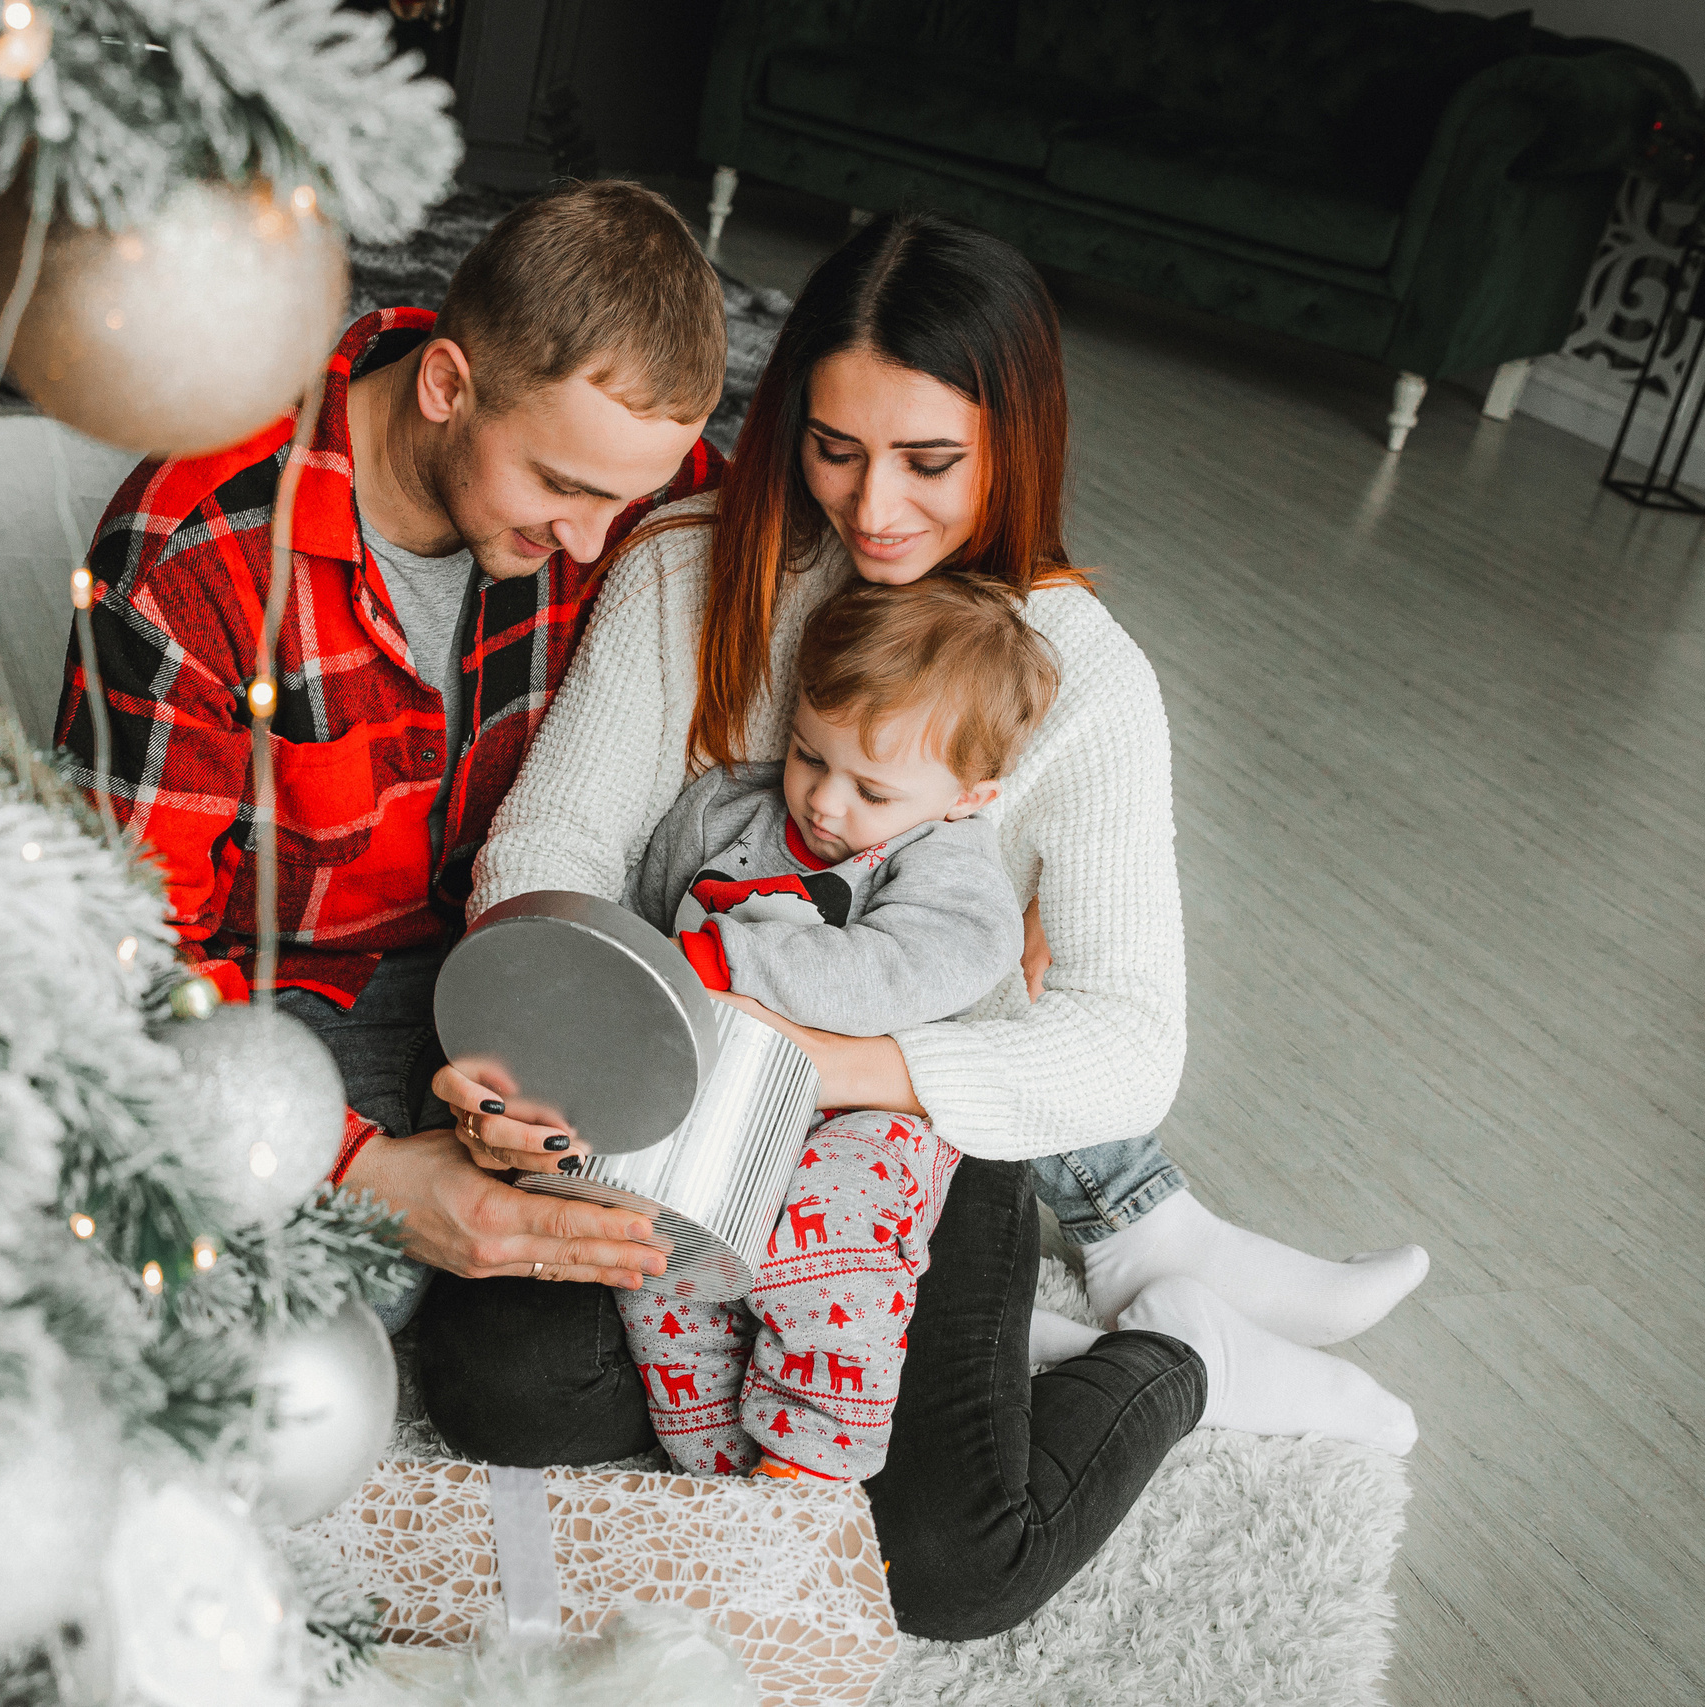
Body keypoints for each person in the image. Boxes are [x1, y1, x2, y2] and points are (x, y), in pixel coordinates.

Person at [427, 209, 1426, 1639]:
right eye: (836, 448)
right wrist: (547, 1029)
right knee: (510, 1385)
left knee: (948, 1563)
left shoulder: (1082, 678)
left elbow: (1128, 1040)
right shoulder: (693, 571)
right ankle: (924, 1343)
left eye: (928, 461)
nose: (874, 507)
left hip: (905, 1129)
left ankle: (1179, 1347)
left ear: (1013, 440)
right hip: (672, 1094)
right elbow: (554, 839)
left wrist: (829, 1062)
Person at [55, 181, 728, 1336]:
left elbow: (847, 541)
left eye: (629, 500)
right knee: (297, 1292)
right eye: (561, 488)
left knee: (648, 1281)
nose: (589, 542)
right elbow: (117, 953)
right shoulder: (190, 555)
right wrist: (366, 1172)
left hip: (516, 971)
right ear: (447, 386)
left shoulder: (607, 486)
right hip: (280, 998)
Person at [622, 574, 1053, 1484]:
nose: (825, 804)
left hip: (869, 1117)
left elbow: (889, 972)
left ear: (970, 796)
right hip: (723, 1104)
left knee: (831, 1246)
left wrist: (724, 963)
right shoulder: (722, 812)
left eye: (872, 789)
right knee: (659, 1259)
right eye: (810, 756)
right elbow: (649, 916)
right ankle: (715, 1465)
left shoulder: (952, 870)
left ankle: (809, 1462)